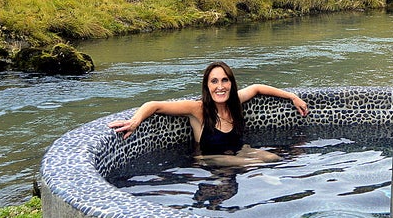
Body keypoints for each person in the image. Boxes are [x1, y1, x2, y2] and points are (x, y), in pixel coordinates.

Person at [108, 61, 308, 166]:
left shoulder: (234, 102)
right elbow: (154, 105)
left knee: (273, 159)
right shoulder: (199, 109)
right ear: (207, 86)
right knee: (253, 164)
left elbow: (256, 88)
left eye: (224, 81)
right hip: (207, 159)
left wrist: (292, 96)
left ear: (231, 83)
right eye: (214, 81)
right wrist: (135, 121)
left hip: (239, 150)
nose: (220, 87)